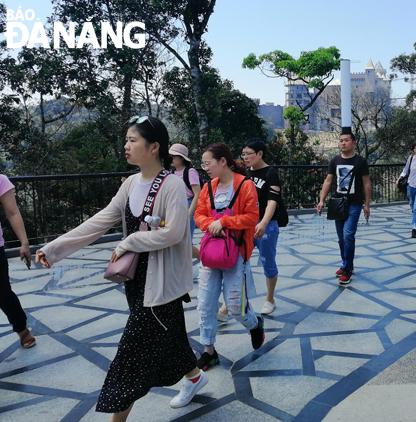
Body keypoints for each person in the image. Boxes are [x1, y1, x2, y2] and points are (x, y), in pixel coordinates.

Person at [35, 116, 207, 419]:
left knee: (130, 358)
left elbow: (175, 233)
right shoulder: (130, 184)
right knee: (171, 338)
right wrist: (54, 249)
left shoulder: (172, 185)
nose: (126, 145)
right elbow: (101, 220)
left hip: (162, 285)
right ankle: (195, 377)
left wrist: (128, 242)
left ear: (154, 147)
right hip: (135, 281)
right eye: (126, 140)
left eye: (132, 140)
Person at [194, 143, 265, 372]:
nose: (205, 168)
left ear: (222, 161)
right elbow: (199, 215)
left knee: (235, 307)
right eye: (203, 164)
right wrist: (211, 225)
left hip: (236, 254)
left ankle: (255, 325)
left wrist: (223, 222)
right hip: (211, 253)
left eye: (208, 163)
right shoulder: (208, 188)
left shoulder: (245, 185)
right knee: (205, 304)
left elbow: (252, 217)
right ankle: (209, 352)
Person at [218, 139, 282, 319]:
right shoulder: (244, 173)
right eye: (243, 154)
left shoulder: (271, 173)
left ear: (260, 154)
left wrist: (263, 222)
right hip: (245, 224)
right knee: (238, 262)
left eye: (249, 153)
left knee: (268, 262)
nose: (245, 157)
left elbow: (273, 201)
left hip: (266, 225)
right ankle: (227, 305)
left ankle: (270, 299)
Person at [317, 129, 371, 285]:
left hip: (354, 203)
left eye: (346, 140)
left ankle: (348, 269)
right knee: (341, 239)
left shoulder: (360, 161)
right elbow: (328, 181)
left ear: (353, 143)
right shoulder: (335, 160)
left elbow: (366, 183)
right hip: (338, 203)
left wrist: (366, 204)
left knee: (348, 235)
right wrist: (321, 200)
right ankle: (345, 263)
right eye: (341, 140)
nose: (343, 143)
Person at [0, 174, 35, 349]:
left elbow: (12, 212)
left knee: (3, 293)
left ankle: (21, 329)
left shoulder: (0, 180)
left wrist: (24, 242)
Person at [169, 144, 202, 259]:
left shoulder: (190, 172)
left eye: (174, 156)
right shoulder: (171, 173)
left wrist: (189, 213)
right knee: (177, 240)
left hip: (188, 205)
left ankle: (202, 257)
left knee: (185, 241)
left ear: (181, 158)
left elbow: (197, 193)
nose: (171, 158)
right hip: (175, 206)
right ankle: (202, 257)